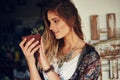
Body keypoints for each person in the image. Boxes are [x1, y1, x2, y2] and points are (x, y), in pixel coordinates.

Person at [19, 0, 101, 80]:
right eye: (49, 22)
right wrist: (31, 61)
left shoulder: (90, 57)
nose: (51, 27)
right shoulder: (50, 50)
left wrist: (46, 65)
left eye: (55, 21)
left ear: (72, 20)